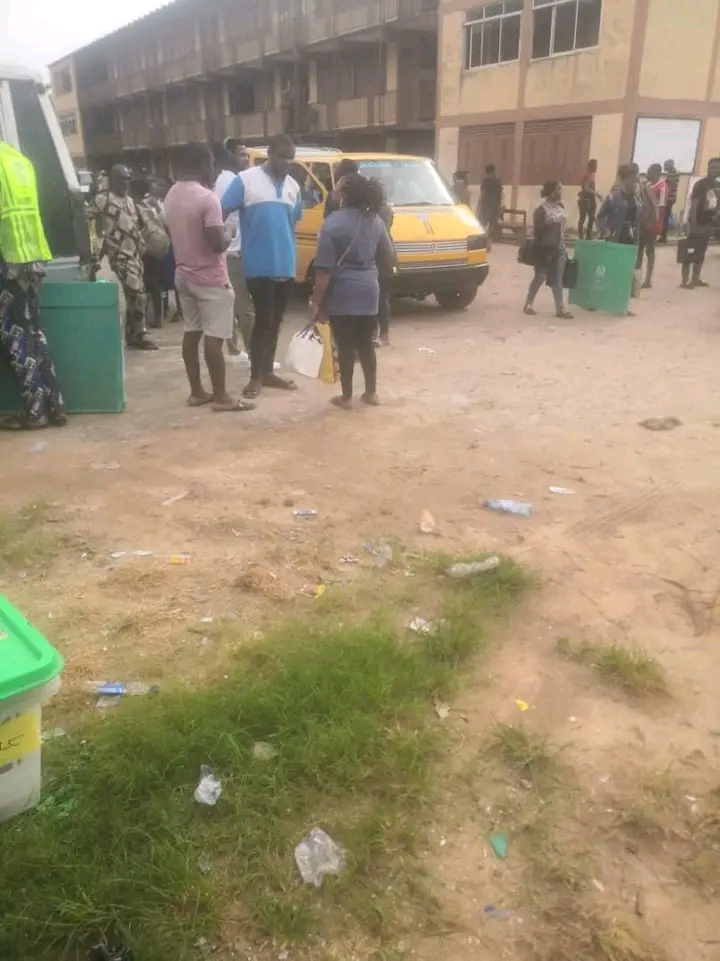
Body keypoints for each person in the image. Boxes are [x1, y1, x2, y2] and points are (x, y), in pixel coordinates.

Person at [163, 142, 254, 413]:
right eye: (211, 163)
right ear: (203, 164)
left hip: (183, 273)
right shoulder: (207, 198)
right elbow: (217, 243)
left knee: (192, 332)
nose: (213, 169)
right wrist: (229, 232)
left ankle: (196, 392)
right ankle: (221, 396)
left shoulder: (171, 195)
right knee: (215, 338)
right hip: (210, 278)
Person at [221, 133, 303, 399]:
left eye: (291, 158)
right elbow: (221, 211)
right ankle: (255, 376)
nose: (287, 162)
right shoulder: (245, 180)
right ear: (270, 154)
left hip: (286, 264)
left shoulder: (293, 187)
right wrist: (222, 238)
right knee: (262, 320)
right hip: (258, 264)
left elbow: (292, 222)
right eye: (282, 157)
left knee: (276, 321)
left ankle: (267, 372)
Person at [309, 174, 394, 409]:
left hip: (343, 293)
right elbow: (387, 253)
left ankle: (346, 397)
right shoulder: (375, 221)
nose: (333, 191)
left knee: (345, 346)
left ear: (344, 195)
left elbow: (324, 270)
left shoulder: (332, 224)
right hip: (370, 291)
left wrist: (316, 301)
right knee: (366, 344)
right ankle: (371, 393)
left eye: (337, 188)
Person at [0, 141, 66, 430]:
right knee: (35, 332)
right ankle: (54, 404)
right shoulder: (18, 160)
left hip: (7, 260)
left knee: (15, 336)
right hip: (31, 257)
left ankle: (34, 412)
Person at [86, 164, 158, 350]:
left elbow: (135, 226)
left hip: (134, 254)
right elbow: (86, 217)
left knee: (135, 295)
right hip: (119, 254)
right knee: (137, 293)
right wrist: (95, 244)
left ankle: (133, 334)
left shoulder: (130, 201)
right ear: (114, 180)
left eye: (128, 179)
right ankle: (139, 335)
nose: (126, 183)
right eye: (123, 179)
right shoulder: (102, 199)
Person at [324, 158, 395, 347]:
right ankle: (379, 335)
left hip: (351, 268)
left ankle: (353, 342)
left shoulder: (336, 206)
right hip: (376, 261)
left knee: (348, 312)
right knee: (380, 298)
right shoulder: (376, 204)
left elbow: (328, 229)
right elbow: (387, 242)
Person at [214, 138, 254, 359]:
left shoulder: (224, 178)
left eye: (246, 154)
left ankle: (233, 349)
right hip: (233, 251)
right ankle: (254, 354)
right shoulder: (232, 181)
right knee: (245, 306)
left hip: (229, 250)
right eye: (241, 155)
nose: (246, 159)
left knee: (232, 303)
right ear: (228, 155)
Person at [523, 181, 573, 320]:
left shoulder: (560, 207)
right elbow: (537, 231)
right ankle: (528, 304)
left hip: (559, 248)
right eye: (558, 189)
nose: (560, 192)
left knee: (558, 279)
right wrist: (547, 224)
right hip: (544, 249)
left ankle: (560, 308)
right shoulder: (541, 210)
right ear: (551, 192)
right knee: (540, 277)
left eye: (560, 189)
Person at [132, 176, 167, 328]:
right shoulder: (150, 205)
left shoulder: (135, 207)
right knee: (156, 283)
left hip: (148, 248)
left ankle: (151, 318)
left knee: (148, 284)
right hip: (160, 246)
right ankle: (158, 315)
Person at [680, 157, 720, 289]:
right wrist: (693, 224)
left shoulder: (717, 185)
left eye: (718, 167)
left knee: (701, 251)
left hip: (709, 224)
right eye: (713, 167)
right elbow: (694, 204)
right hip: (697, 223)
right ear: (708, 168)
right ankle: (685, 280)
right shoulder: (700, 184)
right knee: (690, 251)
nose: (715, 170)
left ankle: (695, 278)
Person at [635, 163, 666, 289]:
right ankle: (636, 277)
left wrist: (654, 222)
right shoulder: (647, 185)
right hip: (643, 222)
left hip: (654, 223)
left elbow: (661, 208)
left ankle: (648, 279)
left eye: (650, 172)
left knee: (650, 250)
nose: (647, 174)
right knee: (639, 250)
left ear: (656, 173)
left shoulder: (662, 187)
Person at [597, 164, 640, 245]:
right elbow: (600, 216)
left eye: (636, 181)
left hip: (631, 239)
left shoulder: (637, 199)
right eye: (633, 181)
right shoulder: (612, 198)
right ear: (624, 180)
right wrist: (606, 230)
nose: (635, 184)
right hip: (615, 238)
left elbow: (637, 221)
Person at [477, 165, 503, 249]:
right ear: (494, 171)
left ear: (487, 172)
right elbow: (501, 195)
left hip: (486, 206)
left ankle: (484, 241)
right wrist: (500, 206)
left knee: (482, 224)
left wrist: (479, 205)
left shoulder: (485, 181)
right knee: (492, 225)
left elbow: (483, 194)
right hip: (495, 206)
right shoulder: (498, 181)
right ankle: (488, 242)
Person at [577, 159, 600, 239]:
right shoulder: (586, 176)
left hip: (591, 200)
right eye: (596, 165)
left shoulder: (592, 175)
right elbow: (586, 188)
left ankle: (588, 236)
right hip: (585, 200)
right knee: (582, 218)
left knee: (591, 218)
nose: (596, 167)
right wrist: (596, 194)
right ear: (591, 166)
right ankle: (581, 236)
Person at [659, 159, 679, 244]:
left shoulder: (672, 174)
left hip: (669, 198)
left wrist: (664, 198)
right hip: (671, 198)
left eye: (665, 165)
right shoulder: (674, 173)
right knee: (665, 217)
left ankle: (663, 237)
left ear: (670, 165)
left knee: (664, 218)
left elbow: (669, 187)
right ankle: (663, 236)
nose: (664, 167)